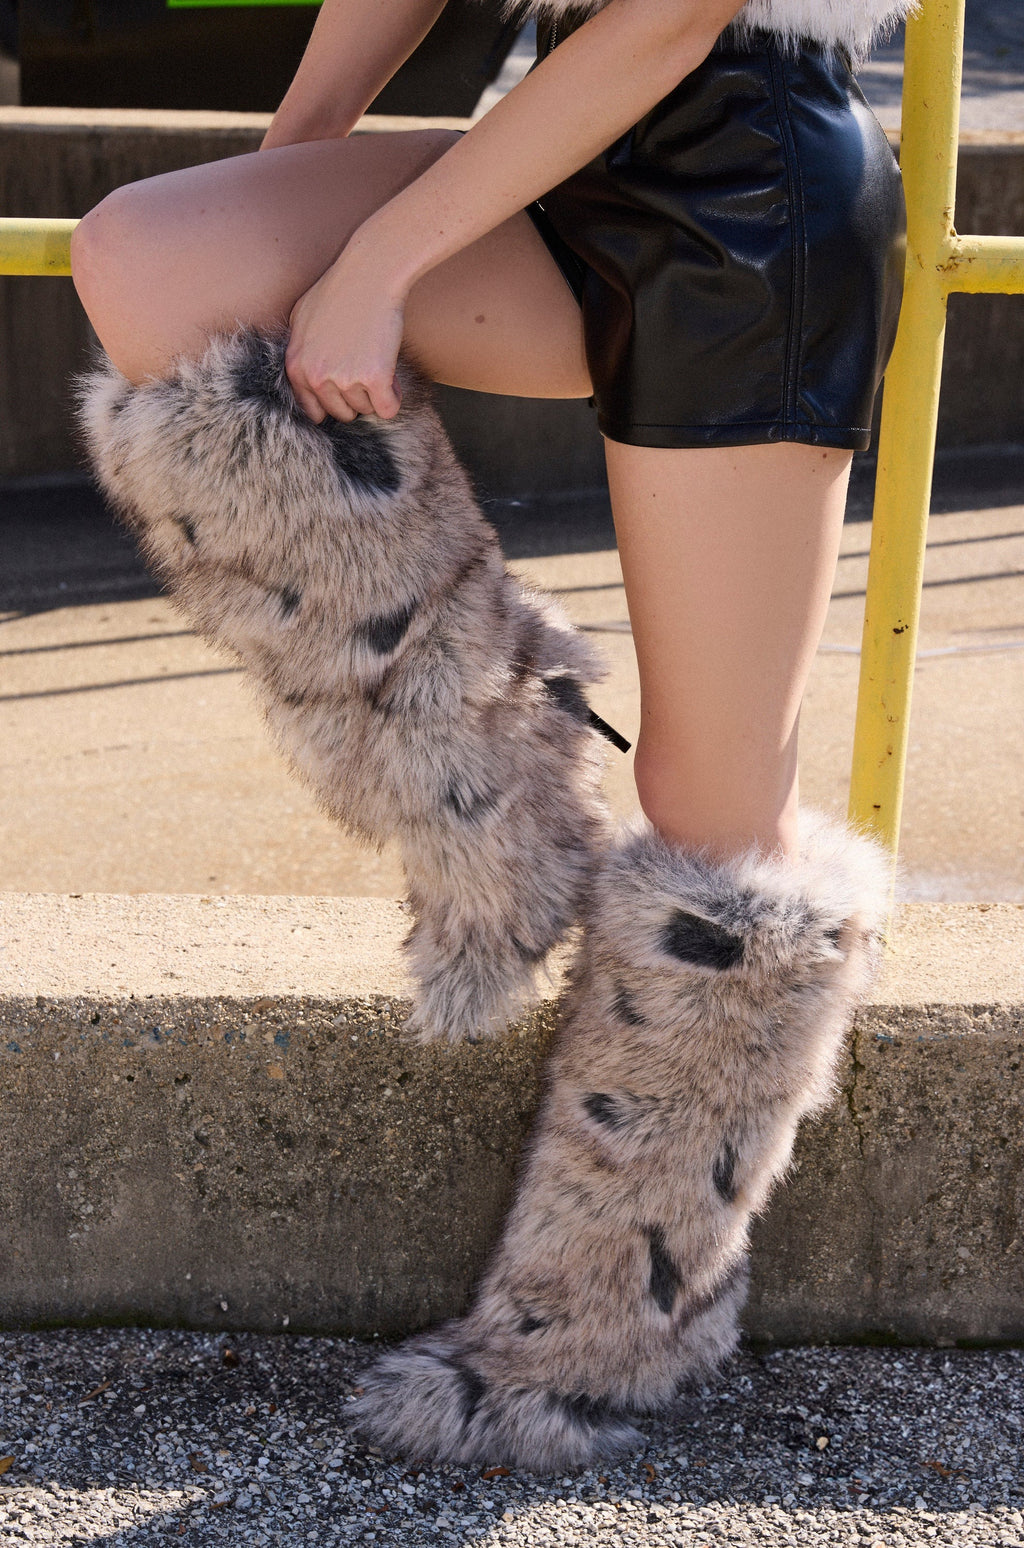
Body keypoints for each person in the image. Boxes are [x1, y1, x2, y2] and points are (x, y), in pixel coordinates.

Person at [71, 0, 910, 1472]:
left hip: (752, 192)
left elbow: (674, 18)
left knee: (711, 803)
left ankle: (602, 1332)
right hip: (558, 150)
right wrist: (301, 161)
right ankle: (488, 787)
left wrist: (377, 264)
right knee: (160, 255)